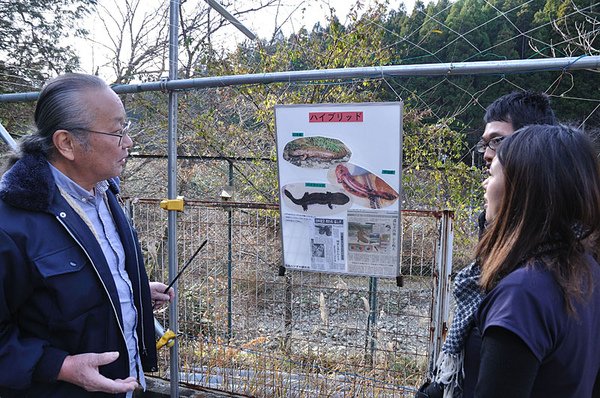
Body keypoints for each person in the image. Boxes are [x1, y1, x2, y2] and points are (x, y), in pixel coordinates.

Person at [0, 73, 174, 397]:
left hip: (124, 386)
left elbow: (76, 279)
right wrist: (61, 367)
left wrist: (128, 288)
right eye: (117, 131)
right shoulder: (12, 222)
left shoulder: (103, 193)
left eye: (127, 128)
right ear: (66, 143)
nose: (129, 142)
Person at [417, 91, 556, 398]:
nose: (486, 154)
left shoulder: (528, 286)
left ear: (535, 144)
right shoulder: (502, 231)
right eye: (485, 143)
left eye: (498, 141)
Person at [473, 124, 600, 396]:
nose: (486, 185)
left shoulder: (522, 295)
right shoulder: (586, 269)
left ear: (522, 189)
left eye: (493, 174)